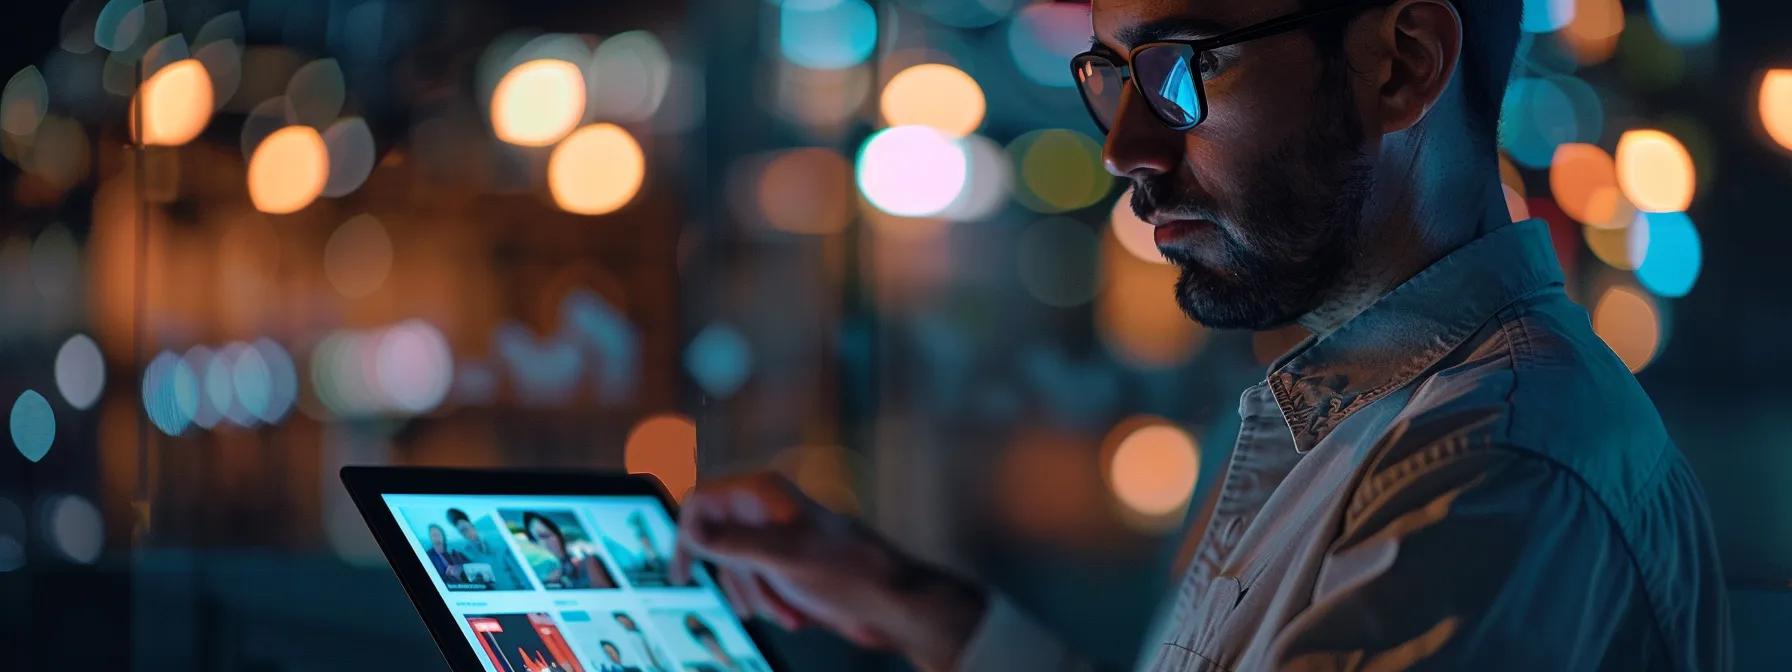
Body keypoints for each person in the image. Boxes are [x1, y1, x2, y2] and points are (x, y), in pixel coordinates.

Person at [672, 0, 1730, 670]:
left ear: (1400, 64)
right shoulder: (1385, 414)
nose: (1123, 146)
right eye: (1109, 74)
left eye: (1180, 67)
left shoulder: (1489, 476)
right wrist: (915, 607)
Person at [523, 511, 616, 589]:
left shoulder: (587, 563)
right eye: (534, 540)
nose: (541, 544)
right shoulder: (543, 574)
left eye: (545, 536)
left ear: (559, 535)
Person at [447, 508, 529, 590]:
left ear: (473, 527)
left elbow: (517, 570)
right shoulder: (467, 553)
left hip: (516, 588)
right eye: (462, 532)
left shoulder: (497, 542)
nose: (466, 533)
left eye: (466, 529)